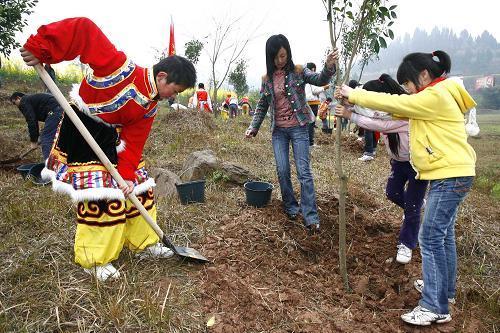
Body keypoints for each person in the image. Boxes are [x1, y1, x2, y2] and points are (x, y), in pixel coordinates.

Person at [20, 17, 197, 282]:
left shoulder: (150, 105)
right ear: (162, 77)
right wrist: (41, 47)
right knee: (102, 194)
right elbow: (83, 30)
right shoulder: (119, 67)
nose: (173, 96)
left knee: (139, 185)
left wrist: (125, 174)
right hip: (82, 129)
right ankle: (95, 259)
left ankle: (143, 243)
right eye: (175, 90)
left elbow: (135, 140)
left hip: (111, 138)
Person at [336, 50, 476, 326]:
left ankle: (434, 306)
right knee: (442, 235)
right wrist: (355, 107)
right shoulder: (439, 93)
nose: (408, 91)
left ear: (423, 75)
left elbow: (394, 102)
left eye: (409, 85)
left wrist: (353, 94)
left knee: (431, 236)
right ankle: (444, 293)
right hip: (450, 174)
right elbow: (392, 110)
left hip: (450, 176)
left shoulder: (435, 95)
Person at [245, 34, 338, 233]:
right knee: (282, 170)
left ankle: (311, 216)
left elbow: (320, 79)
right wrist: (254, 127)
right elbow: (262, 104)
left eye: (284, 55)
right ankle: (291, 207)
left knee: (304, 172)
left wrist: (329, 66)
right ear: (270, 58)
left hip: (299, 127)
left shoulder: (298, 71)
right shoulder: (267, 79)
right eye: (277, 57)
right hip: (278, 131)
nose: (281, 60)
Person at [335, 74, 429, 265]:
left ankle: (407, 243)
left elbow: (377, 122)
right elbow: (372, 113)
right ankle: (416, 208)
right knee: (392, 193)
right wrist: (348, 101)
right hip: (398, 162)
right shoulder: (385, 111)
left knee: (411, 206)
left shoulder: (405, 112)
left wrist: (350, 114)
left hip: (417, 164)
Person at [10, 92, 63, 160]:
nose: (16, 106)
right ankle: (61, 161)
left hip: (55, 112)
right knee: (54, 137)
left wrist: (34, 141)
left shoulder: (24, 101)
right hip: (59, 110)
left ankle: (50, 165)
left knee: (46, 139)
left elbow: (31, 121)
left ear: (18, 98)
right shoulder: (31, 100)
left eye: (14, 103)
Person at [305, 62, 329, 147]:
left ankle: (307, 142)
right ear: (312, 69)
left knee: (308, 123)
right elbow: (315, 90)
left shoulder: (303, 78)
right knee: (311, 123)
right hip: (312, 103)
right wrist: (324, 88)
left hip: (307, 103)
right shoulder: (310, 79)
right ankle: (310, 143)